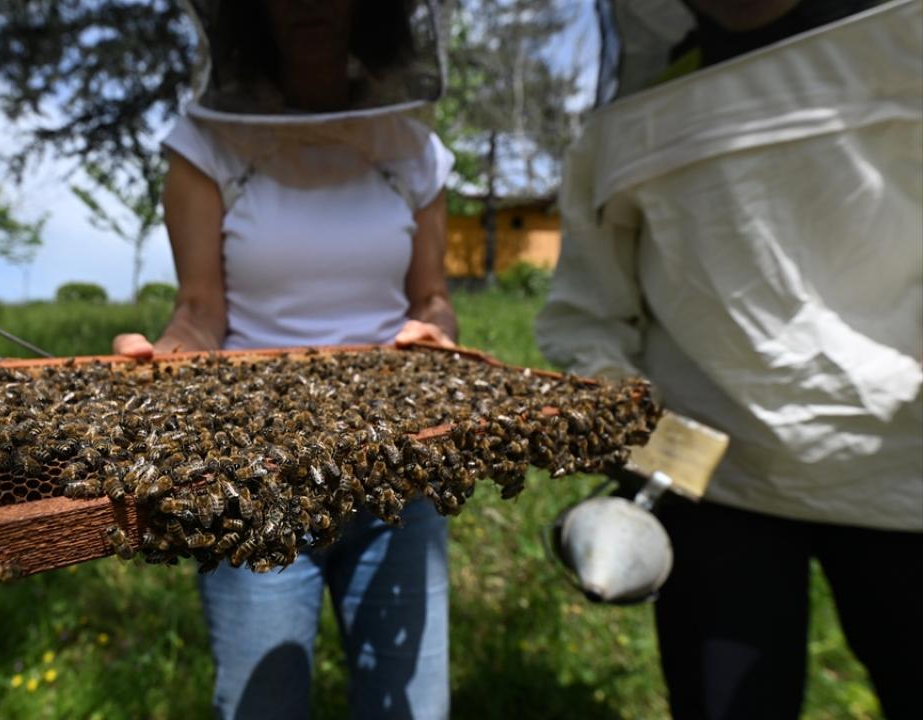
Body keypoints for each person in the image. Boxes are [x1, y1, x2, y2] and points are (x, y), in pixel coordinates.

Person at [536, 1, 922, 718]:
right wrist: (619, 409)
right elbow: (588, 310)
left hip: (901, 472)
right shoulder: (640, 109)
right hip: (710, 480)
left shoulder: (900, 44)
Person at [112, 1, 456, 717]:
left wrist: (433, 333)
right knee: (260, 705)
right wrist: (166, 359)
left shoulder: (413, 146)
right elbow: (200, 312)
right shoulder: (205, 143)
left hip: (398, 457)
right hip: (252, 470)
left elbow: (433, 298)